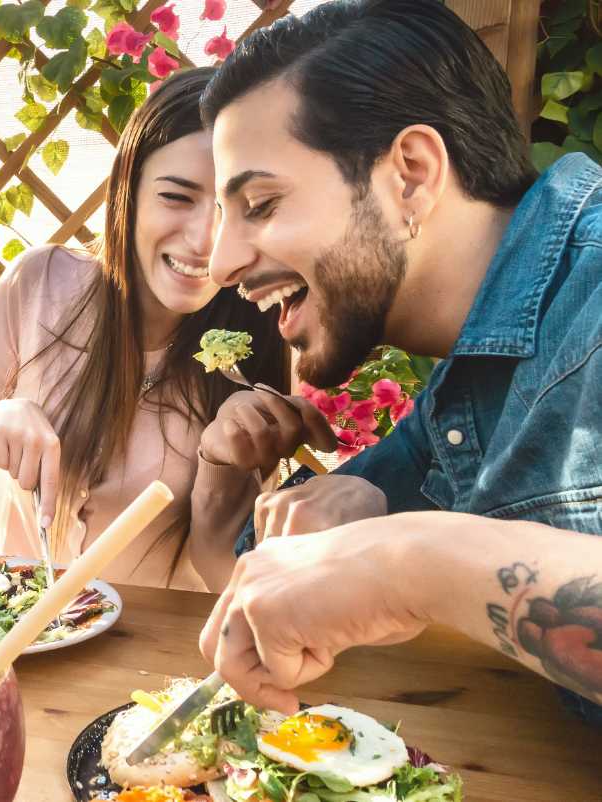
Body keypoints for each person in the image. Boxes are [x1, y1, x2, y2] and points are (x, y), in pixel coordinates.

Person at [194, 0, 602, 725]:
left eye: (260, 202)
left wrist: (410, 562)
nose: (221, 261)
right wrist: (368, 511)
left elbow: (401, 564)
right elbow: (275, 564)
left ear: (411, 173)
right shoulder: (469, 378)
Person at [0, 68, 321, 588]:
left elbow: (225, 574)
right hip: (16, 635)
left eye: (233, 209)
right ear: (127, 195)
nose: (204, 240)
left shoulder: (253, 341)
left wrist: (223, 471)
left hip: (144, 656)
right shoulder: (41, 282)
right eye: (176, 197)